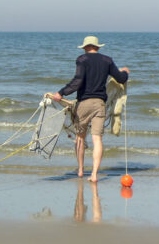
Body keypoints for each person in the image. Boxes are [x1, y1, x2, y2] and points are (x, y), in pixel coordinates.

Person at [52, 36, 129, 182]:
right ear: (98, 47)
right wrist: (125, 72)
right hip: (99, 104)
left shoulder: (82, 59)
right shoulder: (107, 60)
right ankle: (94, 175)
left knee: (80, 138)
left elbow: (77, 82)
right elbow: (120, 78)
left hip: (83, 104)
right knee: (97, 139)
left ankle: (81, 170)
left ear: (85, 47)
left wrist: (60, 93)